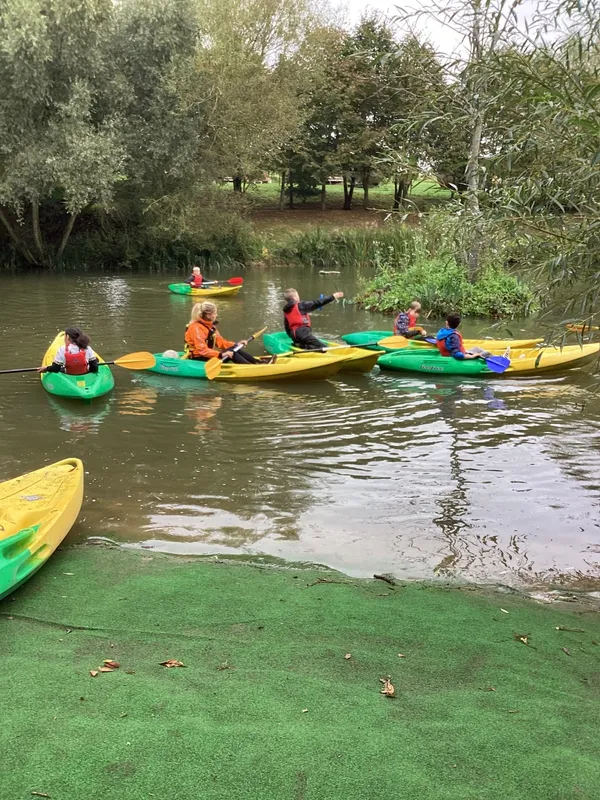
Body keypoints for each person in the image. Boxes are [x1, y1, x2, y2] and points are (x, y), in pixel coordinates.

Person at [184, 302, 260, 364]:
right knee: (231, 352)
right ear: (208, 315)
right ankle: (249, 367)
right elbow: (202, 350)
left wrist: (236, 344)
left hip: (206, 355)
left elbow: (221, 343)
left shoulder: (210, 326)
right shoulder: (196, 328)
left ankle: (256, 362)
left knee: (234, 349)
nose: (216, 315)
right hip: (198, 358)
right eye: (215, 313)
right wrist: (221, 354)